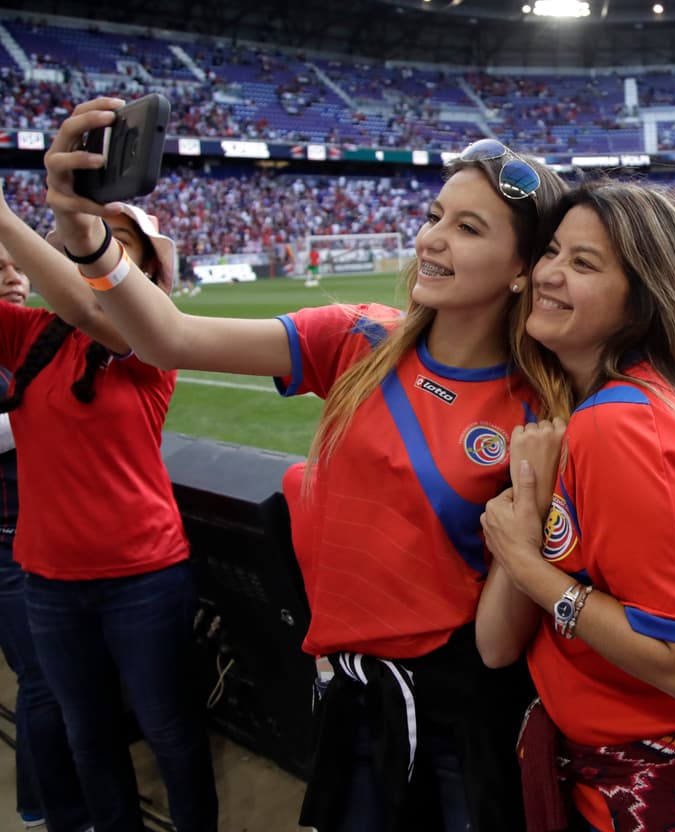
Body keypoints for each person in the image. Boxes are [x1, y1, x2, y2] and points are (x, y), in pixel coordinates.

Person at [44, 99, 568, 831]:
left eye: (468, 227)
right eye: (434, 216)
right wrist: (81, 230)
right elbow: (168, 337)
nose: (433, 239)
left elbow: (500, 635)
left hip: (458, 712)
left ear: (521, 270)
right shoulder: (357, 339)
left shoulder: (540, 410)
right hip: (348, 687)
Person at [477, 180, 675, 832]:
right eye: (553, 251)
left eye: (584, 264)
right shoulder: (622, 409)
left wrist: (526, 563)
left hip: (663, 776)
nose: (549, 275)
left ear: (639, 304)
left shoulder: (620, 428)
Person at [0, 178, 217, 830]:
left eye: (113, 244)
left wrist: (7, 219)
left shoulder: (152, 347)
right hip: (49, 582)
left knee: (171, 732)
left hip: (142, 577)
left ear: (147, 275)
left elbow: (96, 312)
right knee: (87, 735)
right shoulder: (31, 336)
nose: (87, 248)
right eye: (78, 239)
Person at [0, 240, 91, 832]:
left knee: (52, 681)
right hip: (8, 543)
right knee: (43, 682)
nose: (13, 275)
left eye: (16, 264)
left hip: (37, 537)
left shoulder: (31, 337)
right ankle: (49, 808)